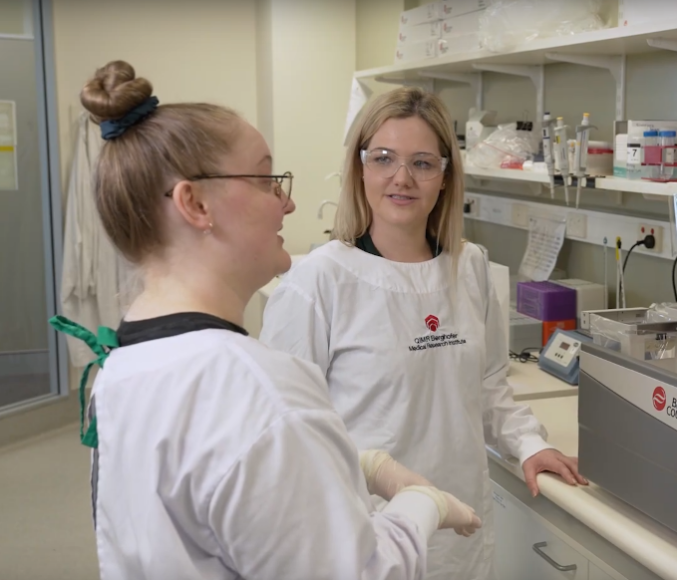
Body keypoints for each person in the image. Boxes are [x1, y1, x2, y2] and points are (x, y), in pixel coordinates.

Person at [51, 60, 481, 580]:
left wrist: (354, 462)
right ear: (194, 203)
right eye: (267, 180)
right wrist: (422, 504)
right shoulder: (261, 392)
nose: (289, 202)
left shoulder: (126, 365)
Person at [260, 86, 588, 580]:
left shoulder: (470, 266)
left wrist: (527, 443)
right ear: (359, 167)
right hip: (363, 539)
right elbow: (286, 437)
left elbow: (488, 384)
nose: (401, 178)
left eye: (422, 163)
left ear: (444, 177)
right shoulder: (318, 281)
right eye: (384, 158)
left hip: (460, 530)